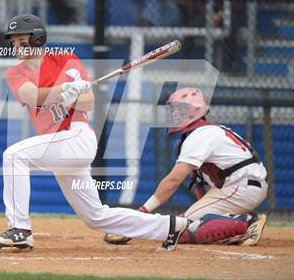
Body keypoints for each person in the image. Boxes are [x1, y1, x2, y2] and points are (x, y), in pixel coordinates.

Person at [0, 14, 188, 251]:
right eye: (13, 42)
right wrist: (62, 89)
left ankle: (19, 229)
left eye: (21, 40)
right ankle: (169, 226)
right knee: (95, 217)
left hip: (77, 136)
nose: (16, 46)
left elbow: (89, 102)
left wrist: (74, 96)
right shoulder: (16, 73)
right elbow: (30, 95)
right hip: (59, 144)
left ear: (38, 39)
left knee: (14, 155)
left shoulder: (65, 60)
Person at [104, 87, 267, 246]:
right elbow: (198, 183)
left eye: (179, 110)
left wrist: (140, 216)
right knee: (184, 224)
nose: (173, 114)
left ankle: (248, 222)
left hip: (240, 188)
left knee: (181, 230)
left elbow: (173, 181)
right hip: (240, 186)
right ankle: (235, 220)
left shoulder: (200, 135)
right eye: (173, 110)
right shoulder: (201, 133)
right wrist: (205, 212)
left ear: (194, 111)